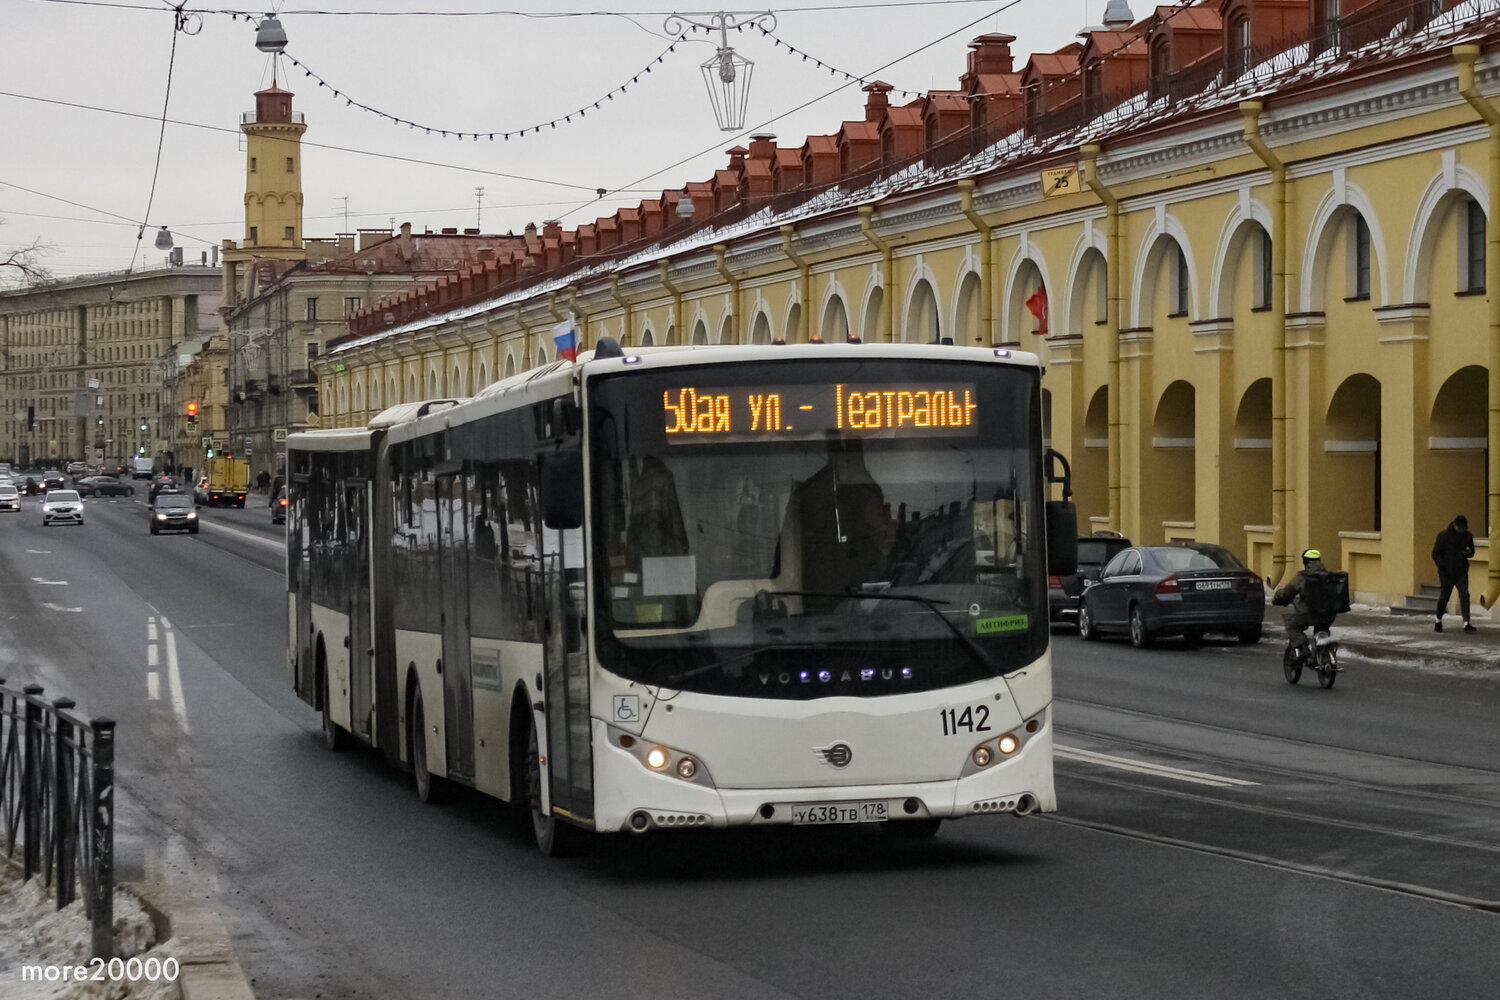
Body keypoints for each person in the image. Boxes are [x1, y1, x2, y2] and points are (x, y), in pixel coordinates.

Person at [1272, 549, 1332, 659]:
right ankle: (1321, 654)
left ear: (1305, 562)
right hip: (1328, 613)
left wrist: (1277, 597)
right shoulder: (1328, 575)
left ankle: (1303, 648)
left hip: (1308, 613)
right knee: (1322, 629)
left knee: (1292, 626)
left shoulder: (1303, 576)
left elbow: (1288, 591)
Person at [1432, 514, 1477, 633]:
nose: (1463, 530)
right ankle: (1438, 620)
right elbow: (1436, 554)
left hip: (1461, 571)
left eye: (1464, 528)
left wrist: (1467, 553)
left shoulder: (1467, 536)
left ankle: (1466, 623)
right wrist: (1443, 566)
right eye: (1461, 528)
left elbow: (1472, 552)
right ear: (1455, 525)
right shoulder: (1444, 536)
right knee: (1444, 596)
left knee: (1464, 595)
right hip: (1446, 572)